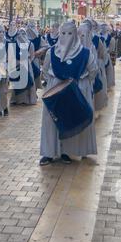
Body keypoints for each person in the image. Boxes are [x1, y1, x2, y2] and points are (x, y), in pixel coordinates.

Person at [40, 20, 98, 166]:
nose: (66, 36)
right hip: (55, 92)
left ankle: (66, 152)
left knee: (69, 120)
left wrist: (83, 85)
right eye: (63, 33)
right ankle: (49, 153)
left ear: (75, 34)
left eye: (70, 33)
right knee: (50, 121)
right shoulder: (51, 51)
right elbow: (45, 71)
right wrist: (54, 84)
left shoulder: (85, 53)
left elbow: (93, 71)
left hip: (75, 90)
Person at [10, 28, 38, 106]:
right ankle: (17, 99)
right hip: (16, 65)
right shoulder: (14, 44)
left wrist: (27, 62)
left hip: (27, 65)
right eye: (19, 33)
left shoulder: (30, 44)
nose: (21, 35)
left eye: (23, 33)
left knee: (29, 81)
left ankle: (29, 99)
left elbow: (32, 55)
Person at [26, 21, 49, 89]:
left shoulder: (38, 37)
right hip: (24, 60)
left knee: (35, 74)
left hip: (35, 59)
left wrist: (38, 52)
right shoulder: (23, 35)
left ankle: (34, 91)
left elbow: (45, 46)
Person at [0, 24, 9, 116]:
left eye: (3, 32)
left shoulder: (6, 43)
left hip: (3, 69)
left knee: (3, 90)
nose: (1, 34)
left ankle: (4, 107)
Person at [99, 23, 116, 90]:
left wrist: (106, 51)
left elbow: (111, 49)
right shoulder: (99, 37)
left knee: (108, 71)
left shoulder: (111, 39)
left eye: (104, 28)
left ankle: (108, 85)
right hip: (100, 57)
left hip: (107, 56)